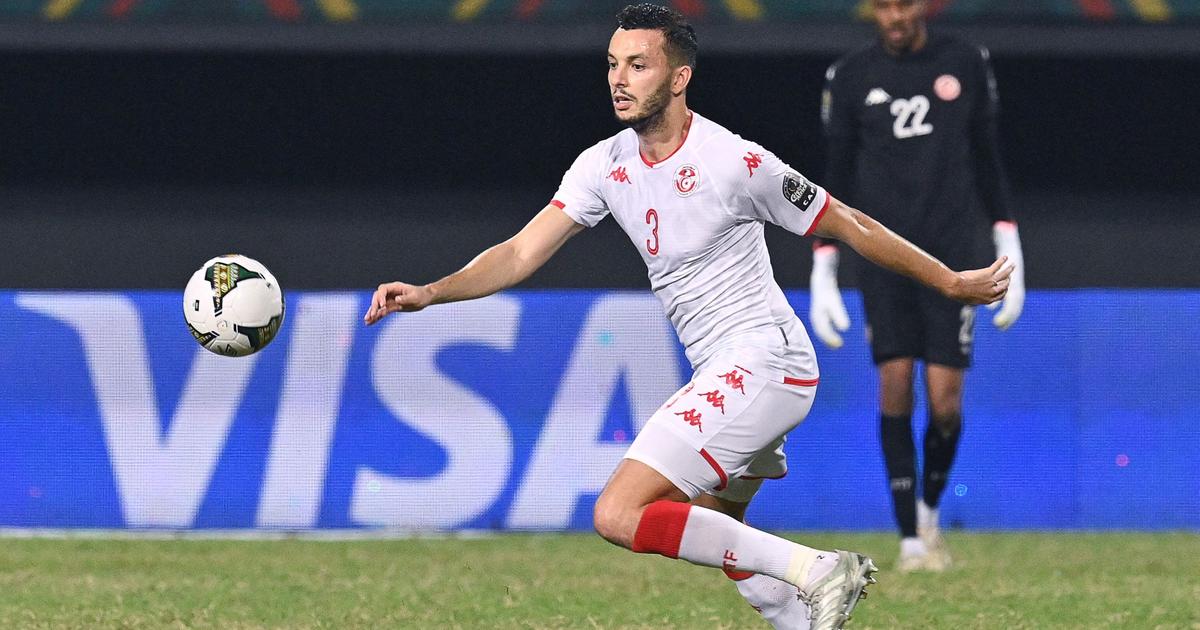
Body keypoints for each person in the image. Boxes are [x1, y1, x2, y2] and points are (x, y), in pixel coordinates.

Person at [365, 4, 1011, 628]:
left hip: (765, 362)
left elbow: (848, 221)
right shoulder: (603, 165)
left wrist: (949, 280)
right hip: (732, 368)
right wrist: (431, 292)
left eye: (638, 65)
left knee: (619, 513)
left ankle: (817, 570)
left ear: (679, 78)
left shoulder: (735, 162)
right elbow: (518, 252)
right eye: (613, 63)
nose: (619, 79)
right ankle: (797, 617)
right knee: (713, 523)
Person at [812, 0, 1025, 573]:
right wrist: (825, 263)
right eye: (884, 6)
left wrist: (1008, 240)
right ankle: (909, 535)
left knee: (946, 402)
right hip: (883, 257)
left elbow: (987, 156)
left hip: (956, 254)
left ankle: (930, 509)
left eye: (904, 3)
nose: (895, 17)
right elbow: (836, 171)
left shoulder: (966, 61)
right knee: (895, 383)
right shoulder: (850, 75)